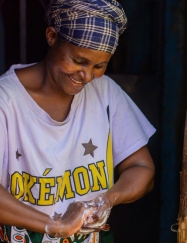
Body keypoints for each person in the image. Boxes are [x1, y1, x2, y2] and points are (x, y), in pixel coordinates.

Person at [0, 1, 156, 243]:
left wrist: (107, 199)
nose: (86, 76)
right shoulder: (6, 100)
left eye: (99, 66)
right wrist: (55, 226)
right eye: (79, 61)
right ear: (51, 37)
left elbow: (142, 168)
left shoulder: (105, 93)